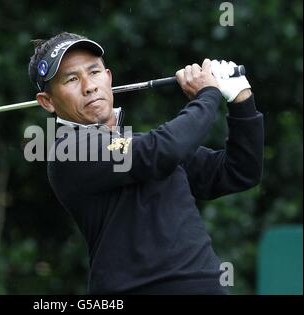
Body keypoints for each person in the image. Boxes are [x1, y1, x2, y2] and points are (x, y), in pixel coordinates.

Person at [27, 32, 263, 294]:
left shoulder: (141, 147)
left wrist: (242, 100)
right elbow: (164, 149)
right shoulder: (69, 152)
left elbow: (240, 171)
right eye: (72, 79)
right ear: (47, 101)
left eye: (94, 73)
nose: (89, 86)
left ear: (108, 78)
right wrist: (207, 95)